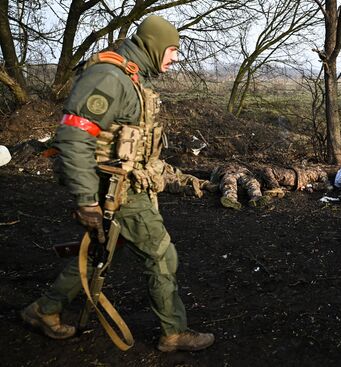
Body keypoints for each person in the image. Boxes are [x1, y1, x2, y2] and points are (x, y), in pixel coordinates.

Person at [20, 15, 215, 352]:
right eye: (171, 50)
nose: (175, 57)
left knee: (99, 253)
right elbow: (74, 137)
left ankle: (45, 309)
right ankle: (173, 332)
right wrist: (86, 199)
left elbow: (134, 145)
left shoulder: (134, 80)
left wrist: (174, 178)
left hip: (120, 186)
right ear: (154, 46)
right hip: (113, 190)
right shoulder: (109, 78)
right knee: (160, 254)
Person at [257, 165, 332, 198]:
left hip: (295, 176)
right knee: (266, 176)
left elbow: (327, 185)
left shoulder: (321, 172)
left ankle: (276, 188)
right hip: (294, 183)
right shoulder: (314, 172)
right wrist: (309, 186)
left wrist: (311, 185)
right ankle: (276, 189)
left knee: (267, 170)